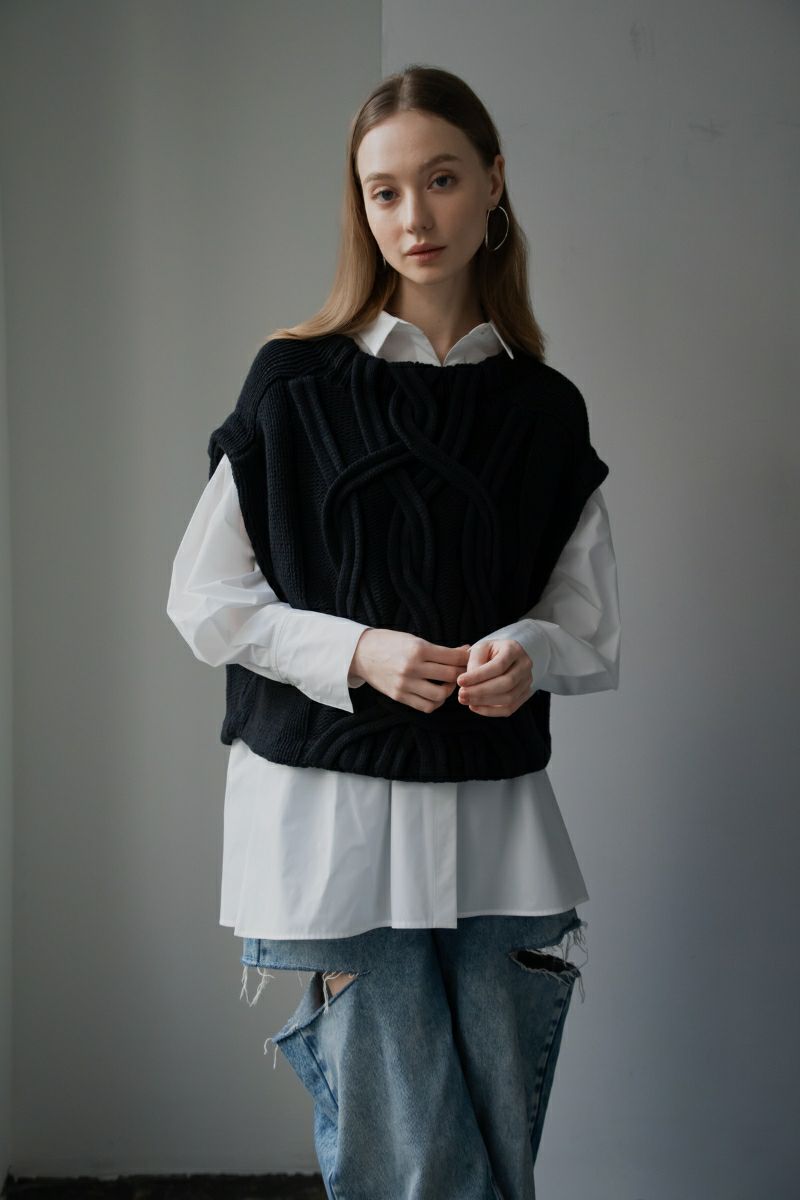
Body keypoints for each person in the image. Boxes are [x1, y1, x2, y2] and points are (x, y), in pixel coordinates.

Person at [167, 64, 620, 1200]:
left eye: (442, 179)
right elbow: (206, 600)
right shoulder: (292, 387)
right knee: (417, 1166)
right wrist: (357, 652)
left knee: (497, 1157)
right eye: (384, 192)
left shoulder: (543, 411)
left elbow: (586, 623)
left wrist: (528, 654)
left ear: (494, 184)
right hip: (333, 829)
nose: (414, 216)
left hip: (492, 826)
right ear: (359, 207)